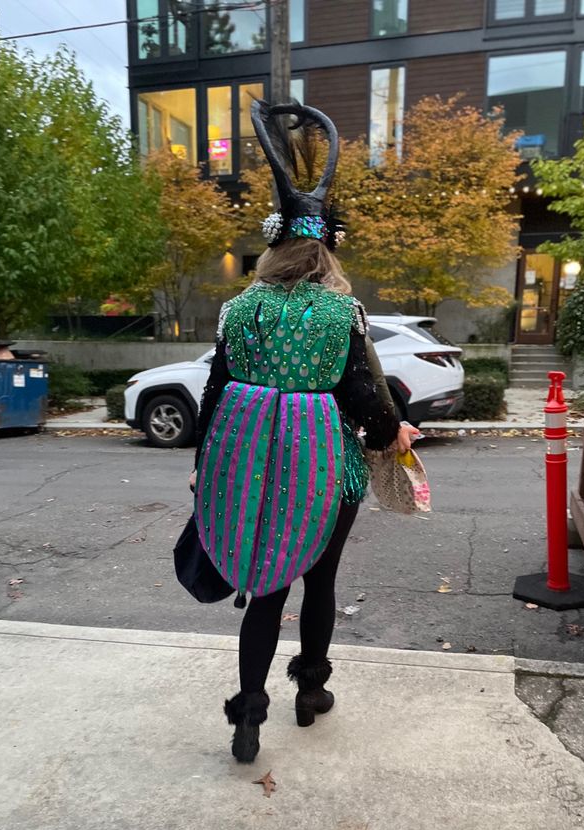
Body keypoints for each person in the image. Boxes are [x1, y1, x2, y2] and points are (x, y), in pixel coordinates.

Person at [190, 100, 419, 763]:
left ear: (274, 244)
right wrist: (389, 431)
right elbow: (359, 391)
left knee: (265, 584)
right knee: (319, 582)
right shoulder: (340, 310)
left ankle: (248, 719)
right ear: (325, 248)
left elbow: (215, 392)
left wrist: (204, 466)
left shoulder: (241, 309)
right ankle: (310, 692)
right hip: (325, 469)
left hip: (245, 467)